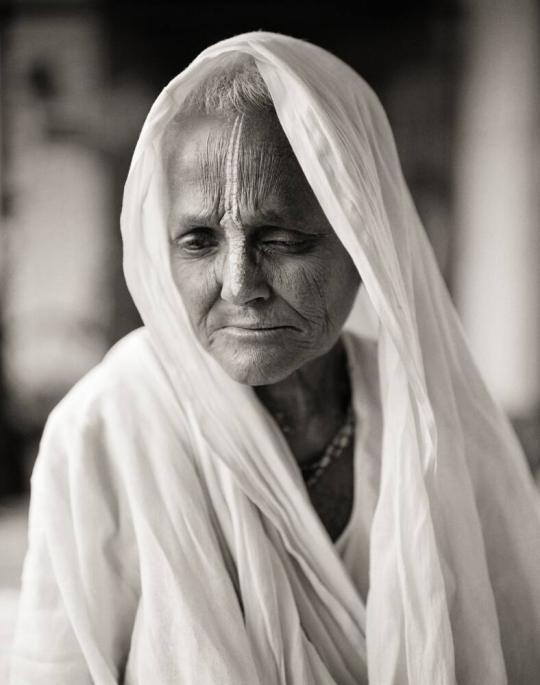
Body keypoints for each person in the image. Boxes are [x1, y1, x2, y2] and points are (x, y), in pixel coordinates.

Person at [10, 32, 540, 685]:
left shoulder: (437, 421)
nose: (238, 284)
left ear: (363, 241)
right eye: (199, 240)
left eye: (282, 237)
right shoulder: (107, 427)